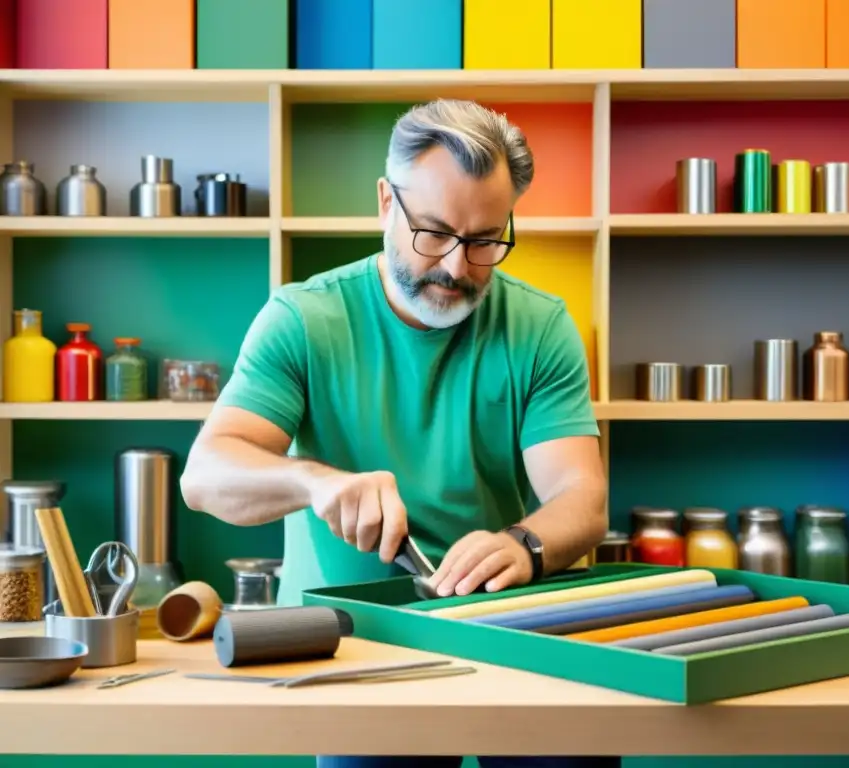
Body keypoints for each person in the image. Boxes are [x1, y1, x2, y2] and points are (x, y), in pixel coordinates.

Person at [179, 99, 617, 768]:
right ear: (386, 200)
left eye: (484, 241)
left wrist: (526, 545)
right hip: (353, 649)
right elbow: (206, 476)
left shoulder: (539, 326)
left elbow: (582, 500)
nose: (457, 267)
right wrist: (315, 482)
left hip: (506, 631)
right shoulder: (302, 318)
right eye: (434, 232)